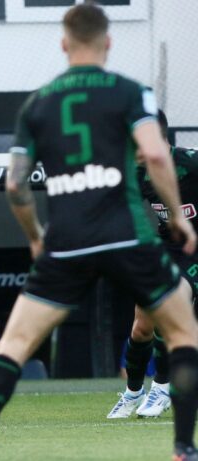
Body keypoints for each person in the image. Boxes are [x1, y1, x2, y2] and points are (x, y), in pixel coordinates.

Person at [0, 4, 198, 461]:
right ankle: (183, 448)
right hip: (127, 236)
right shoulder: (131, 92)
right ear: (108, 43)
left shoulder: (38, 103)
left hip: (66, 241)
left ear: (63, 44)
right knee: (182, 333)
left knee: (16, 344)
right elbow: (157, 156)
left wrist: (36, 237)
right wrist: (176, 215)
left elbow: (15, 184)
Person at [107, 110, 198, 419]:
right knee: (142, 325)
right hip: (169, 247)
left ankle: (162, 387)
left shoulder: (190, 163)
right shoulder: (137, 171)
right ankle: (133, 393)